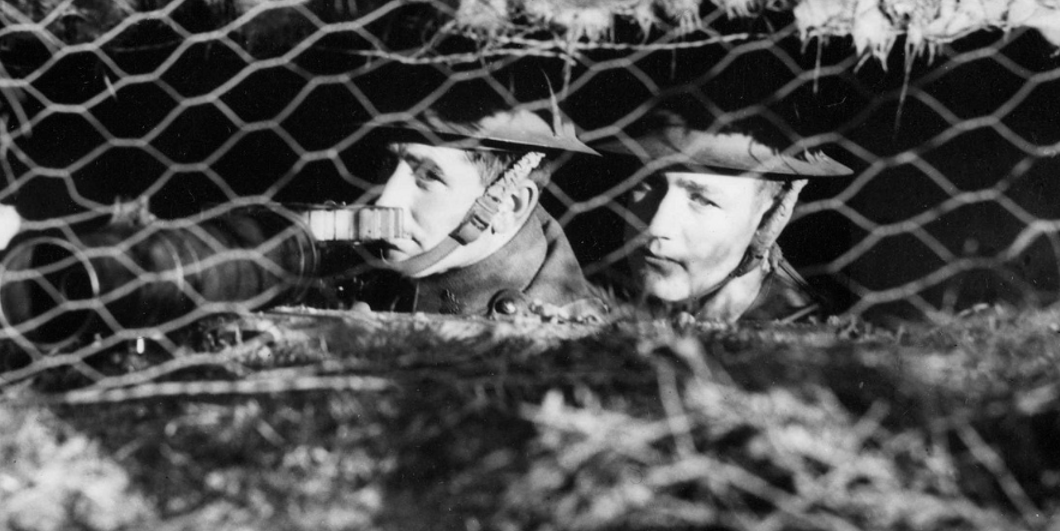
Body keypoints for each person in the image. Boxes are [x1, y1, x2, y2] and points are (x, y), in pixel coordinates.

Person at [342, 87, 608, 320]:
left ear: (509, 205)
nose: (384, 200)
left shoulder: (561, 337)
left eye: (429, 176)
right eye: (390, 163)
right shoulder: (376, 265)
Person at [601, 109, 852, 322]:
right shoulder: (597, 287)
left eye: (702, 200)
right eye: (650, 184)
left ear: (769, 216)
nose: (656, 227)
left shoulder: (800, 335)